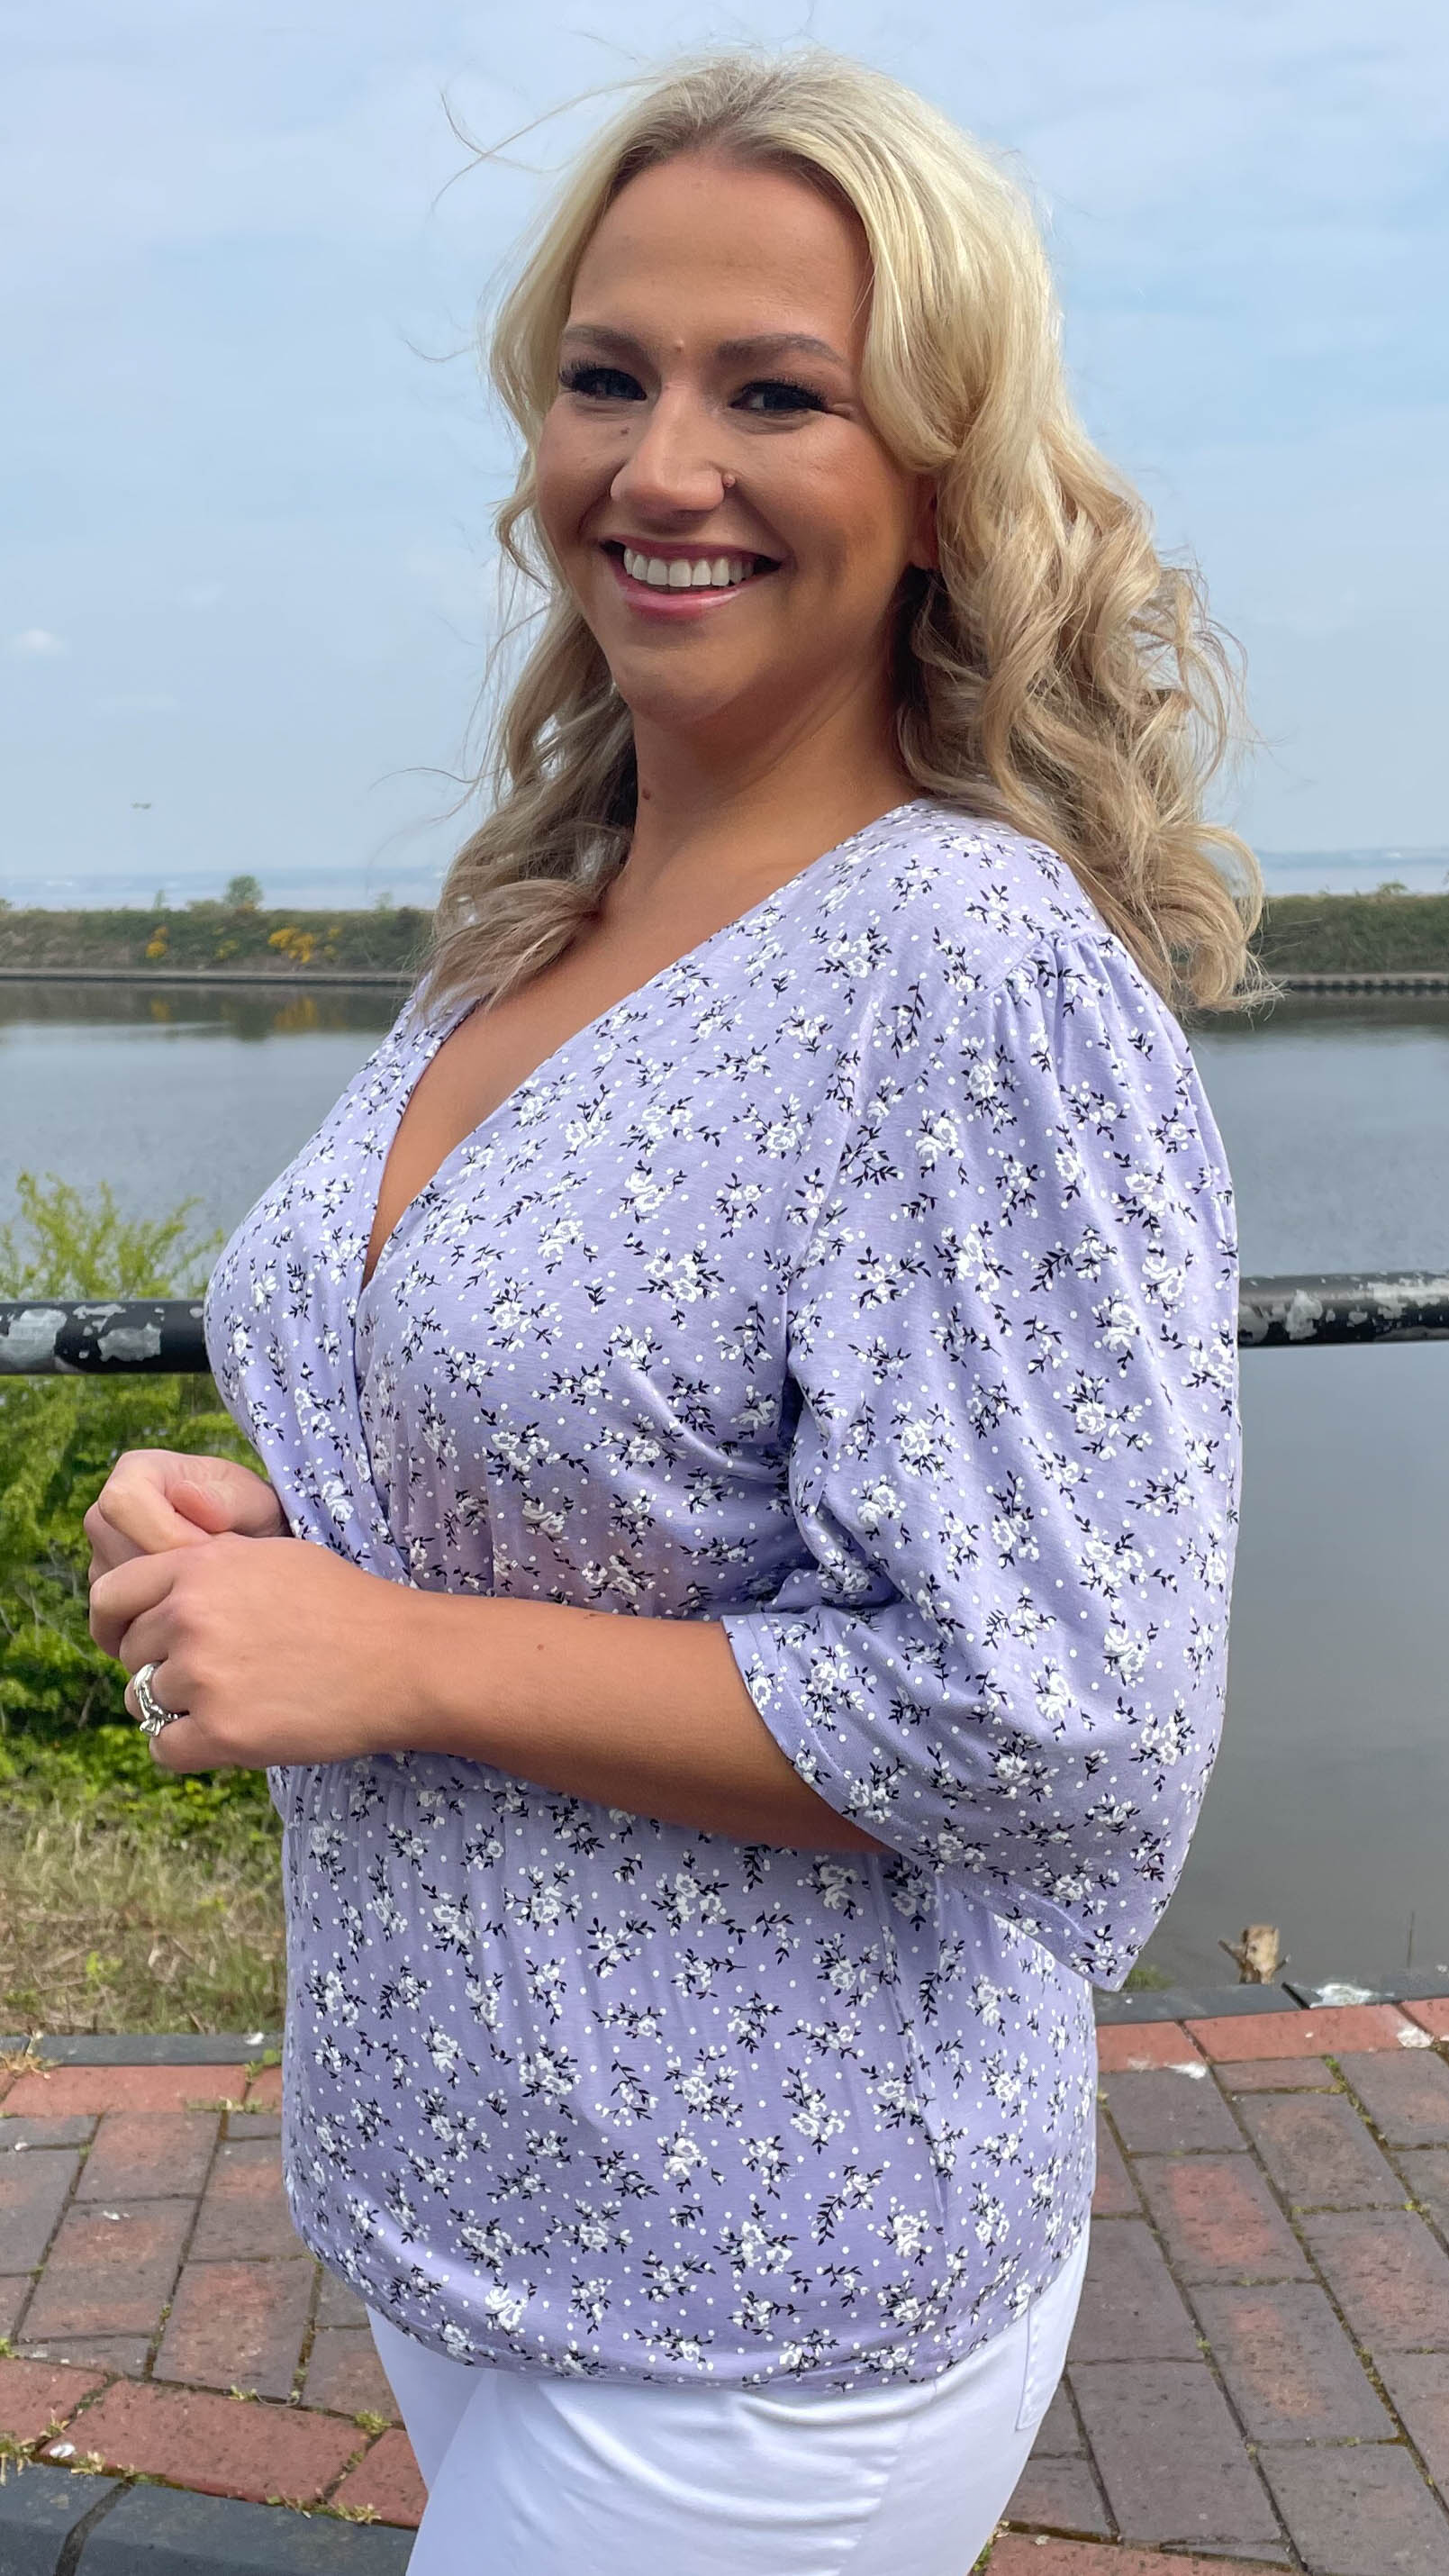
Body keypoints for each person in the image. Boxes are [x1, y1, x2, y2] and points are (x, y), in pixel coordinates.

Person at [86, 47, 1260, 2574]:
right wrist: (282, 1530)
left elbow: (1068, 1726)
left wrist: (395, 1652)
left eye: (777, 393)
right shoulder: (550, 898)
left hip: (762, 2295)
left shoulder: (965, 972)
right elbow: (602, 1464)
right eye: (608, 377)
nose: (664, 466)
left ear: (939, 472)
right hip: (480, 2199)